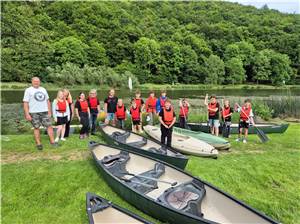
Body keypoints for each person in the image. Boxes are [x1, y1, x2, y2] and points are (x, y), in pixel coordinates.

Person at [23, 77, 57, 150]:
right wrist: (27, 114)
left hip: (44, 111)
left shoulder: (43, 89)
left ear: (40, 82)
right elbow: (25, 103)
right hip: (34, 112)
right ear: (32, 82)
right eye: (35, 81)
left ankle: (53, 142)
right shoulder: (28, 90)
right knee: (36, 127)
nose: (36, 82)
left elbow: (47, 101)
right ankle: (39, 143)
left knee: (49, 126)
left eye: (38, 81)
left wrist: (49, 111)